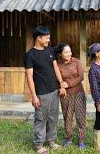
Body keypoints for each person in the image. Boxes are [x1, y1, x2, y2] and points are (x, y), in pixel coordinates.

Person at [24, 26, 67, 154]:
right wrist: (34, 96)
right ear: (39, 38)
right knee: (41, 119)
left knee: (53, 117)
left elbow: (55, 68)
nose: (49, 39)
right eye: (47, 37)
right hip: (41, 93)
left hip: (54, 90)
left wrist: (61, 84)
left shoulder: (49, 50)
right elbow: (29, 77)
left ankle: (51, 140)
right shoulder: (30, 55)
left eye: (49, 37)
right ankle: (38, 145)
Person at [55, 43, 87, 149]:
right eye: (66, 52)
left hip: (79, 93)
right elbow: (57, 80)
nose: (69, 54)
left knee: (80, 117)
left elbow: (81, 77)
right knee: (67, 117)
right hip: (65, 95)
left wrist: (68, 84)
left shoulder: (76, 61)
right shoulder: (57, 65)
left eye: (70, 51)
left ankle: (81, 140)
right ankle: (68, 138)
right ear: (60, 54)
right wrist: (61, 86)